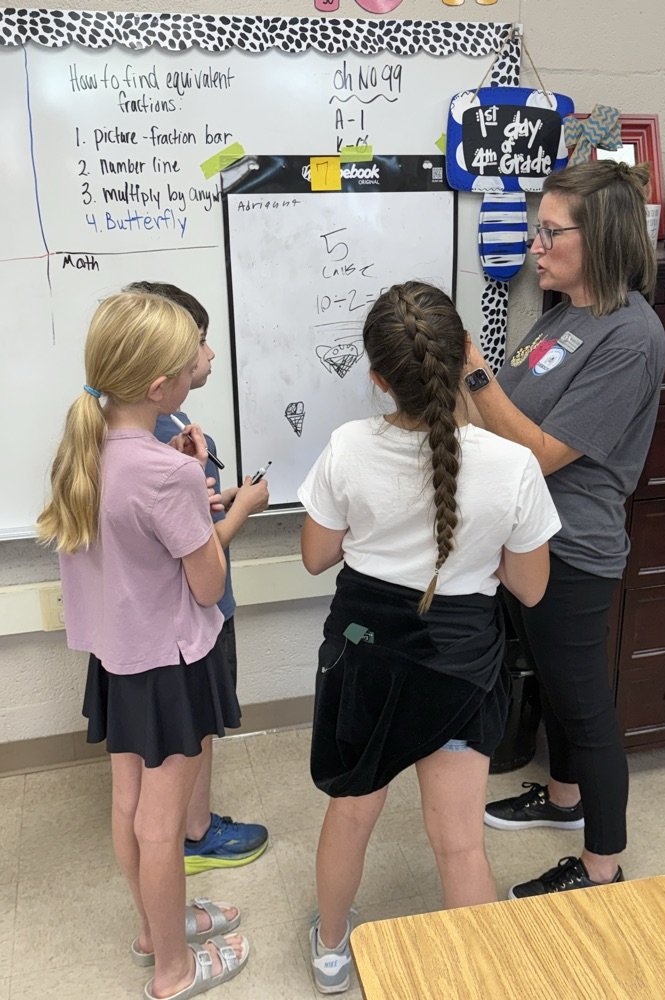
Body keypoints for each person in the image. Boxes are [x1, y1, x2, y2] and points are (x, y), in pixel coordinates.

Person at [298, 280, 561, 993]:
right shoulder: (513, 465)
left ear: (379, 378)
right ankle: (474, 979)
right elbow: (530, 588)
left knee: (352, 812)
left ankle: (331, 951)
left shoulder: (348, 445)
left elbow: (317, 556)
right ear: (465, 355)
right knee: (460, 842)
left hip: (368, 657)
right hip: (460, 664)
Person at [37, 291, 250, 1000]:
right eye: (190, 364)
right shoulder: (170, 472)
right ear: (160, 388)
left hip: (119, 661)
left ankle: (155, 931)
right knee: (161, 825)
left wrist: (181, 485)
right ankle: (174, 971)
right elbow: (206, 585)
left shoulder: (84, 449)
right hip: (171, 665)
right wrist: (223, 505)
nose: (197, 369)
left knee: (129, 803)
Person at [467, 160, 665, 898]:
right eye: (537, 229)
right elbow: (509, 412)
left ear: (601, 238)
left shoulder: (631, 337)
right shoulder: (564, 313)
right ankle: (562, 799)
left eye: (551, 232)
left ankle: (601, 866)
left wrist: (474, 373)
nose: (535, 245)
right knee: (552, 687)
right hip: (527, 539)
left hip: (573, 549)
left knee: (584, 707)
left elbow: (544, 453)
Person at [125, 280, 270, 876]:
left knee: (193, 733)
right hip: (191, 617)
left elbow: (184, 520)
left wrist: (217, 499)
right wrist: (243, 510)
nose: (208, 355)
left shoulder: (162, 423)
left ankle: (188, 827)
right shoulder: (157, 438)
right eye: (200, 342)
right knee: (195, 731)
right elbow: (198, 563)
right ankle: (194, 832)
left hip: (176, 621)